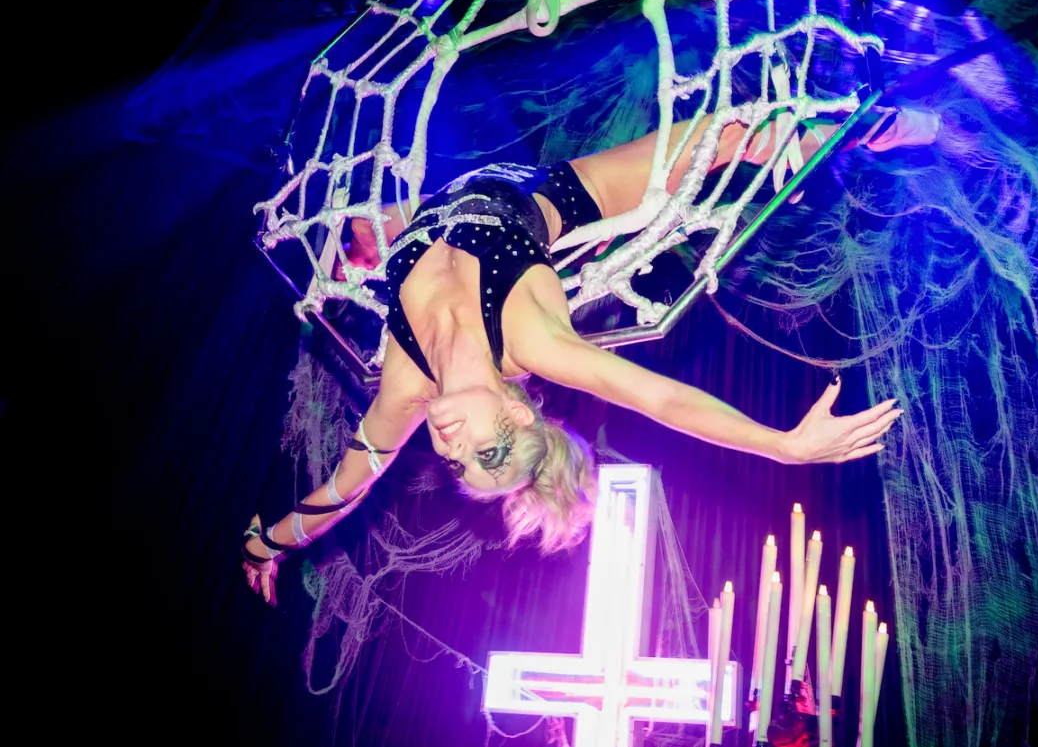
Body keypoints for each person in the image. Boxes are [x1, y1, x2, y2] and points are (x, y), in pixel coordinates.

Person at [242, 109, 937, 604]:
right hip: (560, 199)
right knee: (738, 135)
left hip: (427, 214)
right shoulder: (534, 342)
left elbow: (345, 487)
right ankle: (887, 127)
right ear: (516, 406)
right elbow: (659, 399)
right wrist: (782, 446)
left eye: (459, 466)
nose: (456, 449)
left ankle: (373, 236)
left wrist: (268, 543)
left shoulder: (405, 384)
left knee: (361, 238)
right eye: (490, 454)